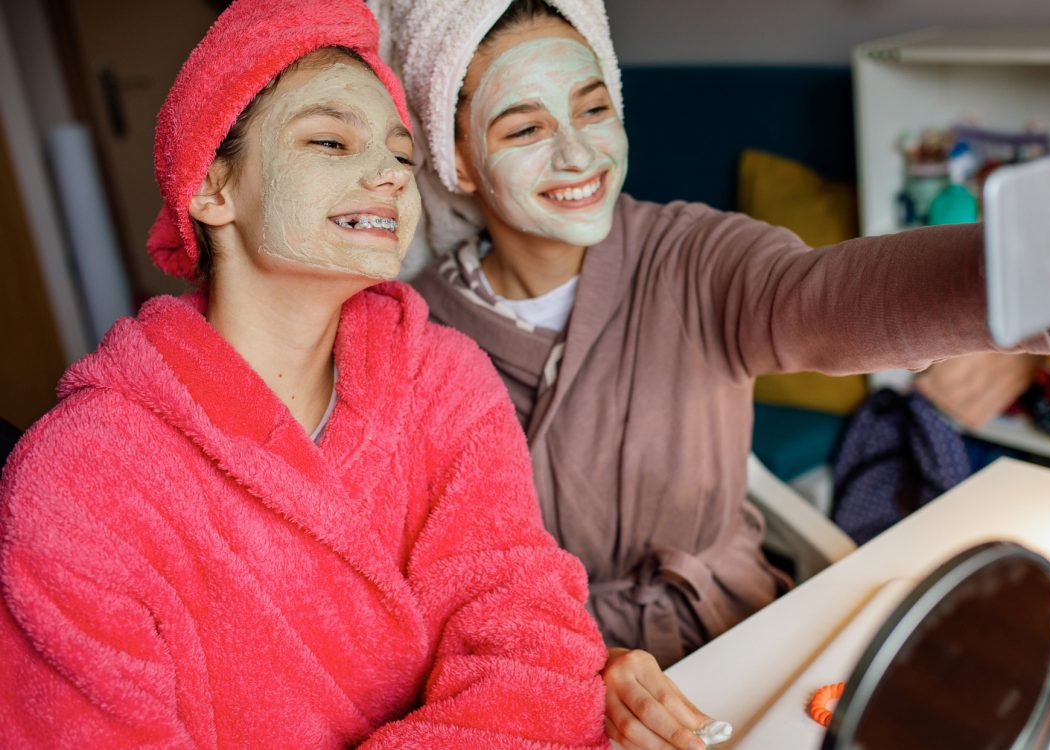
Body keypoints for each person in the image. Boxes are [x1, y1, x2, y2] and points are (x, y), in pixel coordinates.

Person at [373, 1, 1050, 748]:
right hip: (546, 695)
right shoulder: (408, 337)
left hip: (750, 637)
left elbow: (827, 295)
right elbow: (431, 586)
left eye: (595, 107)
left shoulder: (691, 257)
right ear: (455, 162)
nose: (578, 154)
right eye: (524, 127)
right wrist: (573, 669)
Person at [0, 1, 610, 747]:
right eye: (330, 140)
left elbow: (535, 649)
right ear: (210, 189)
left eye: (400, 154)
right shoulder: (80, 480)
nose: (388, 175)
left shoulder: (444, 379)